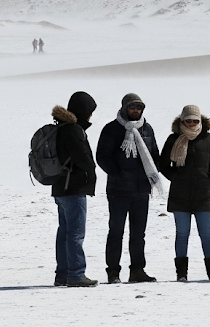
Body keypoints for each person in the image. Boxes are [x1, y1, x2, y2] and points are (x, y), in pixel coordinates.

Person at [96, 93, 163, 284]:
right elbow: (102, 156)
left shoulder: (147, 129)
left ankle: (137, 271)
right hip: (118, 191)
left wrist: (152, 173)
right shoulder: (112, 129)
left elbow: (154, 155)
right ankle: (113, 272)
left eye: (139, 107)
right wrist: (118, 174)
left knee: (138, 234)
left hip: (142, 190)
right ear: (125, 107)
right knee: (116, 231)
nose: (136, 110)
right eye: (132, 107)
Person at [159, 105, 210, 282]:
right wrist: (175, 177)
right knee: (182, 234)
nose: (191, 123)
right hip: (180, 195)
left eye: (195, 120)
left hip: (204, 194)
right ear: (182, 121)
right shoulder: (173, 139)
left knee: (206, 234)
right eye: (188, 120)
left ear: (201, 121)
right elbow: (162, 164)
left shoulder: (209, 139)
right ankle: (181, 274)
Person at [50, 92, 99, 287]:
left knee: (65, 232)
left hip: (60, 187)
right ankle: (76, 274)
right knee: (75, 234)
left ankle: (62, 274)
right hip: (73, 187)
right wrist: (91, 169)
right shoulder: (73, 130)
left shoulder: (61, 127)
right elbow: (82, 158)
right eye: (89, 111)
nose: (91, 116)